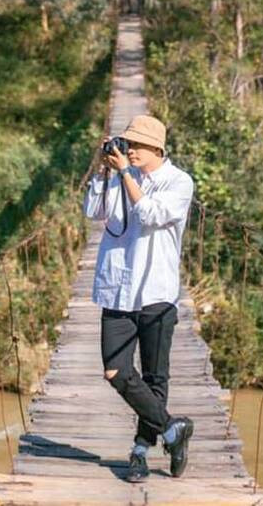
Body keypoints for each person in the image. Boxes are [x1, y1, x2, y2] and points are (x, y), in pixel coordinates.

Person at [83, 113, 195, 484]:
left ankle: (140, 452)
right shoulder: (118, 175)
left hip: (156, 291)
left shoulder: (178, 182)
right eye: (127, 144)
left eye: (137, 145)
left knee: (154, 376)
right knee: (115, 370)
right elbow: (92, 211)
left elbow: (149, 214)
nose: (130, 150)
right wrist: (104, 172)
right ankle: (173, 429)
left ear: (157, 148)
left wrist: (125, 176)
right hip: (118, 288)